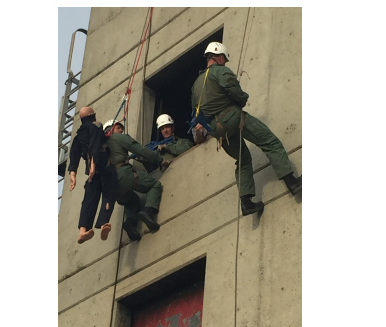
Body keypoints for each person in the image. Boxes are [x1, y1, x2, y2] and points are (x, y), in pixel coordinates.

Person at [190, 42, 302, 216]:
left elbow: (197, 111)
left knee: (242, 160)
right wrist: (243, 99)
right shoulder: (221, 71)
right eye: (224, 60)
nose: (225, 63)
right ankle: (292, 182)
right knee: (269, 141)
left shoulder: (196, 85)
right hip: (232, 118)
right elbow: (234, 91)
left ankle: (247, 203)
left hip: (217, 132)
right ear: (219, 57)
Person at [103, 119, 165, 241]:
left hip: (110, 186)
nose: (121, 130)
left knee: (132, 201)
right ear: (111, 129)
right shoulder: (117, 138)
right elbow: (139, 149)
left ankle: (130, 222)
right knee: (154, 185)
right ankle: (147, 212)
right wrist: (159, 158)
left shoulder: (101, 148)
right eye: (118, 127)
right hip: (123, 174)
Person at [68, 107, 120, 244]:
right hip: (102, 164)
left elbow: (74, 156)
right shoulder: (96, 126)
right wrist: (93, 163)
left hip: (91, 173)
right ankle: (104, 224)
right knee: (109, 192)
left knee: (89, 199)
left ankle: (82, 231)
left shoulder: (78, 136)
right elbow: (95, 143)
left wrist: (73, 174)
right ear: (92, 115)